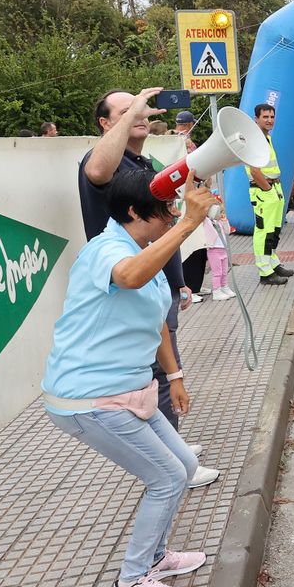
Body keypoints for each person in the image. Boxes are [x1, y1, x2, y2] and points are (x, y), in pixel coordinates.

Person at [42, 169, 215, 587]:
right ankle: (131, 583)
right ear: (136, 212)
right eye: (168, 209)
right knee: (167, 478)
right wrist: (188, 225)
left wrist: (174, 378)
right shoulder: (107, 250)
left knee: (185, 463)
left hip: (131, 388)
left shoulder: (144, 248)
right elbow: (130, 279)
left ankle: (157, 557)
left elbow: (156, 317)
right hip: (89, 397)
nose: (175, 213)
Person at [79, 89, 214, 488]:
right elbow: (97, 173)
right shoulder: (104, 160)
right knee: (151, 374)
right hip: (131, 285)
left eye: (141, 109)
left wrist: (179, 283)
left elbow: (163, 226)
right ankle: (173, 464)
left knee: (160, 372)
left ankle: (174, 450)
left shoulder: (140, 161)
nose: (140, 114)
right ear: (105, 125)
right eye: (126, 111)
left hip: (155, 283)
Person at [247, 103, 293, 286]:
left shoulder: (266, 137)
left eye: (272, 116)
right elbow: (254, 170)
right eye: (265, 117)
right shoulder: (254, 139)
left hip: (273, 189)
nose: (270, 120)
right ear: (256, 119)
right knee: (264, 232)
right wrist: (266, 188)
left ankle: (273, 263)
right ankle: (265, 272)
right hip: (263, 191)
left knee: (274, 231)